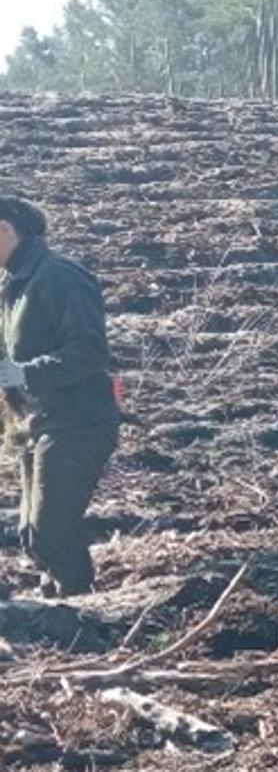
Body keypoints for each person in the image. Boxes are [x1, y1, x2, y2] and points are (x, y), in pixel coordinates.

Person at [0, 197, 119, 598]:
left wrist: (25, 373)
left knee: (53, 533)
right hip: (38, 421)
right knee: (32, 537)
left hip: (78, 421)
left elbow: (89, 351)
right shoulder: (14, 284)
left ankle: (85, 622)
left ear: (5, 230)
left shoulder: (59, 276)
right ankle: (60, 611)